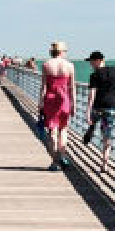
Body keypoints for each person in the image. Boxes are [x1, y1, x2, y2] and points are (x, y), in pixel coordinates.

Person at [84, 50, 115, 173]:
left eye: (91, 61)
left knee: (92, 122)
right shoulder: (113, 70)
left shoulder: (94, 75)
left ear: (98, 61)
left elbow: (92, 95)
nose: (90, 64)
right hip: (110, 108)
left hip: (97, 107)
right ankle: (104, 165)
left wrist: (87, 110)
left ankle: (91, 129)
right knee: (107, 135)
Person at [39, 41, 75, 171]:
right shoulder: (70, 65)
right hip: (64, 100)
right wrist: (73, 104)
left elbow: (43, 86)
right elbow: (72, 87)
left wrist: (40, 102)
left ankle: (54, 163)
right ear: (62, 52)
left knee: (52, 131)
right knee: (63, 129)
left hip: (50, 100)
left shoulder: (46, 65)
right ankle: (62, 155)